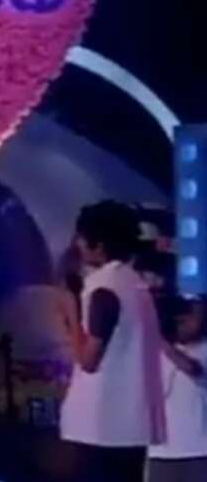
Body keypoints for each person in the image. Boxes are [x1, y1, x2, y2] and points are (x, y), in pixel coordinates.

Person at [59, 201, 165, 482]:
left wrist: (71, 312)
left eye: (82, 238)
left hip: (102, 427)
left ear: (99, 245)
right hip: (129, 427)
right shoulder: (135, 285)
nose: (78, 245)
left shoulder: (105, 289)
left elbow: (89, 360)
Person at [147, 298, 207, 481]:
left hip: (198, 450)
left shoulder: (203, 349)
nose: (186, 323)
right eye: (181, 319)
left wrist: (161, 343)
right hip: (160, 452)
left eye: (192, 316)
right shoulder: (154, 352)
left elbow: (193, 369)